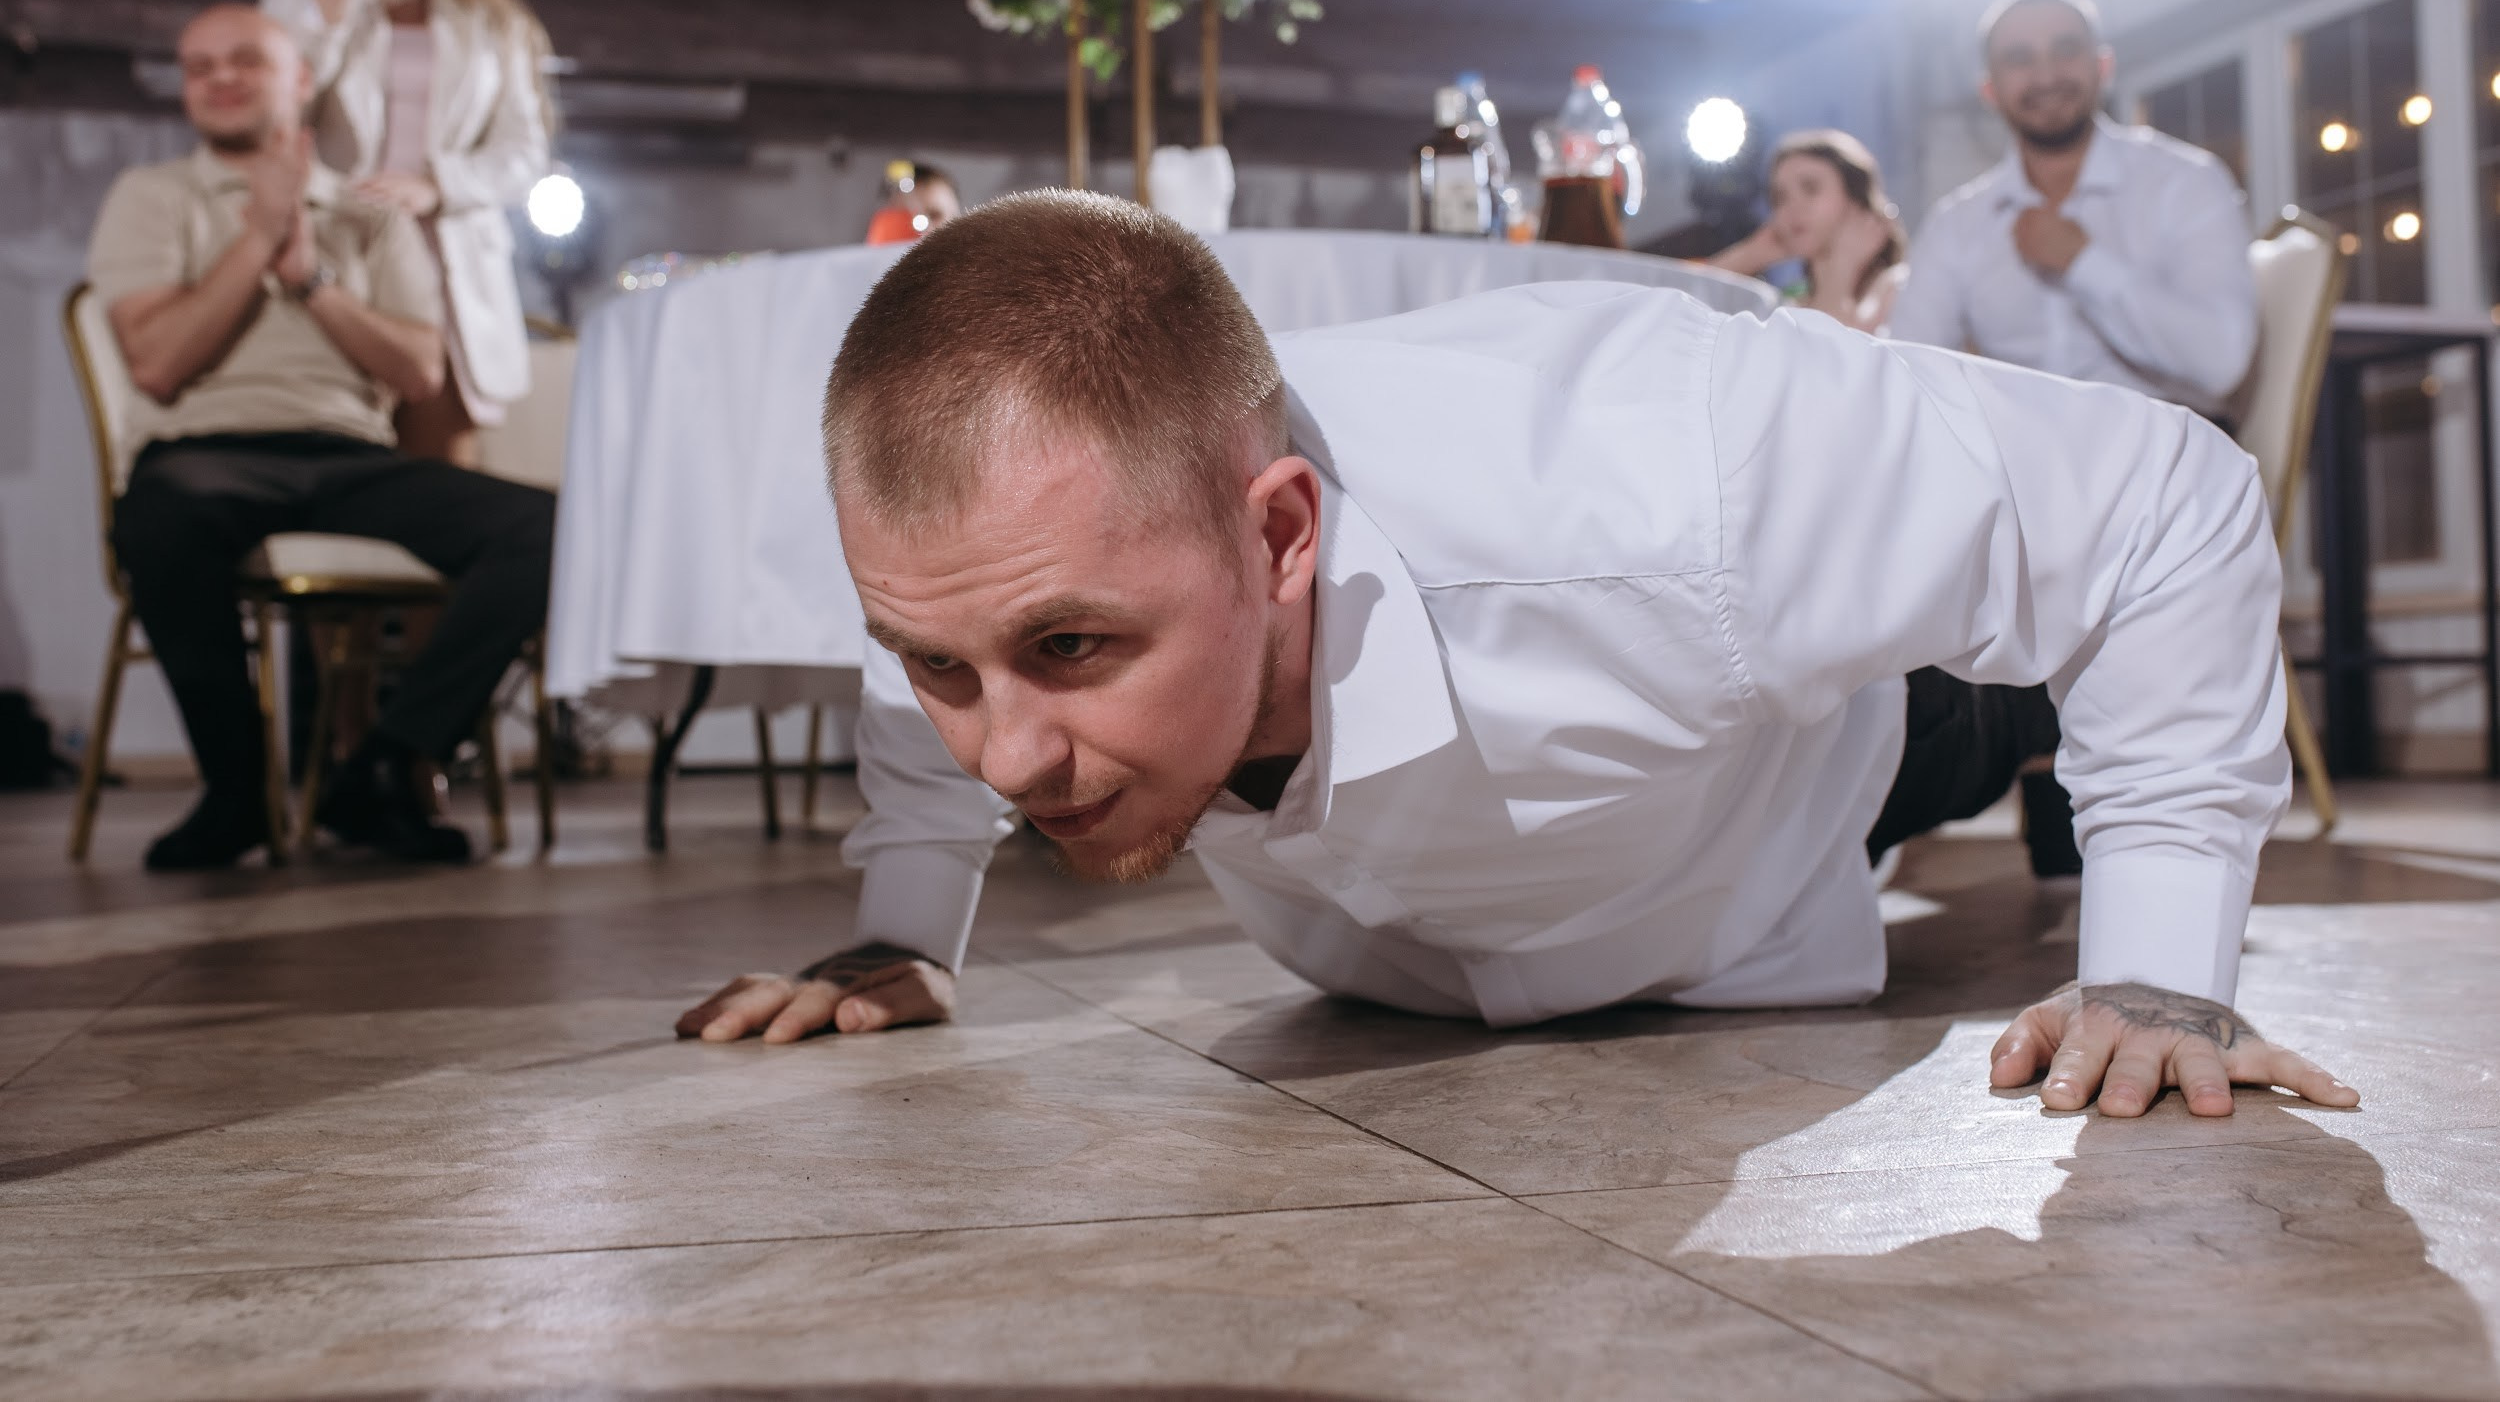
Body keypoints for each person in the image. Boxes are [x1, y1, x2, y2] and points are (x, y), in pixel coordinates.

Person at [675, 191, 2357, 1123]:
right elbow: (949, 630)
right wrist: (905, 924)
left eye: (1069, 648)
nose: (1008, 755)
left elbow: (2163, 501)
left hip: (1817, 765)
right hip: (1436, 932)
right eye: (943, 669)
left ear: (1280, 536)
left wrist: (2157, 969)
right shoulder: (1006, 569)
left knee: (1992, 712)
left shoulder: (1662, 473)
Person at [87, 5, 555, 872]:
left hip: (348, 455)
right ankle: (236, 792)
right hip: (205, 451)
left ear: (301, 80)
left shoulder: (371, 216)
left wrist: (310, 278)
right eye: (199, 66)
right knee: (158, 519)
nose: (220, 79)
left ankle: (386, 765)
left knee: (547, 528)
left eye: (244, 61)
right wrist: (258, 240)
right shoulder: (151, 196)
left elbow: (418, 371)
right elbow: (155, 363)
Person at [259, 0, 553, 467]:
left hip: (447, 267)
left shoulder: (492, 17)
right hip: (341, 248)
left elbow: (525, 155)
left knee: (440, 475)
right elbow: (274, 107)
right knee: (330, 457)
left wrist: (437, 185)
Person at [1890, 0, 2258, 418]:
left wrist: (2083, 262)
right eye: (2020, 59)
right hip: (2014, 454)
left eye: (2066, 50)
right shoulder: (1956, 224)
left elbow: (2223, 362)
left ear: (2103, 67)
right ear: (1989, 91)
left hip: (2164, 447)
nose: (2046, 76)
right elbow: (1907, 374)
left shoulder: (2186, 182)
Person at [1709, 129, 1908, 333]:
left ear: (1856, 200)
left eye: (1811, 189)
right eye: (1780, 198)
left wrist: (1841, 268)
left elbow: (1832, 346)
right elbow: (1689, 304)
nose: (1792, 208)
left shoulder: (1898, 286)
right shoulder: (1788, 300)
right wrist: (1751, 254)